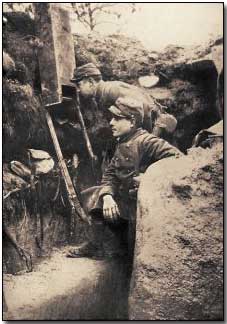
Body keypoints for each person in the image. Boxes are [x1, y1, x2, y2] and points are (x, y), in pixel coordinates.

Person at [67, 97, 182, 261]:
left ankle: (123, 248)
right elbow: (110, 175)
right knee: (95, 195)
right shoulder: (122, 142)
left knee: (134, 255)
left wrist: (150, 177)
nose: (111, 123)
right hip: (126, 202)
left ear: (132, 121)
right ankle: (97, 245)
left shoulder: (146, 141)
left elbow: (178, 158)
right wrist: (107, 196)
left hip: (143, 205)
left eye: (117, 118)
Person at [71, 63, 160, 133]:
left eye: (79, 85)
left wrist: (145, 141)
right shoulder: (101, 94)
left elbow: (145, 109)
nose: (78, 90)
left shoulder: (112, 90)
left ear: (91, 82)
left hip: (158, 127)